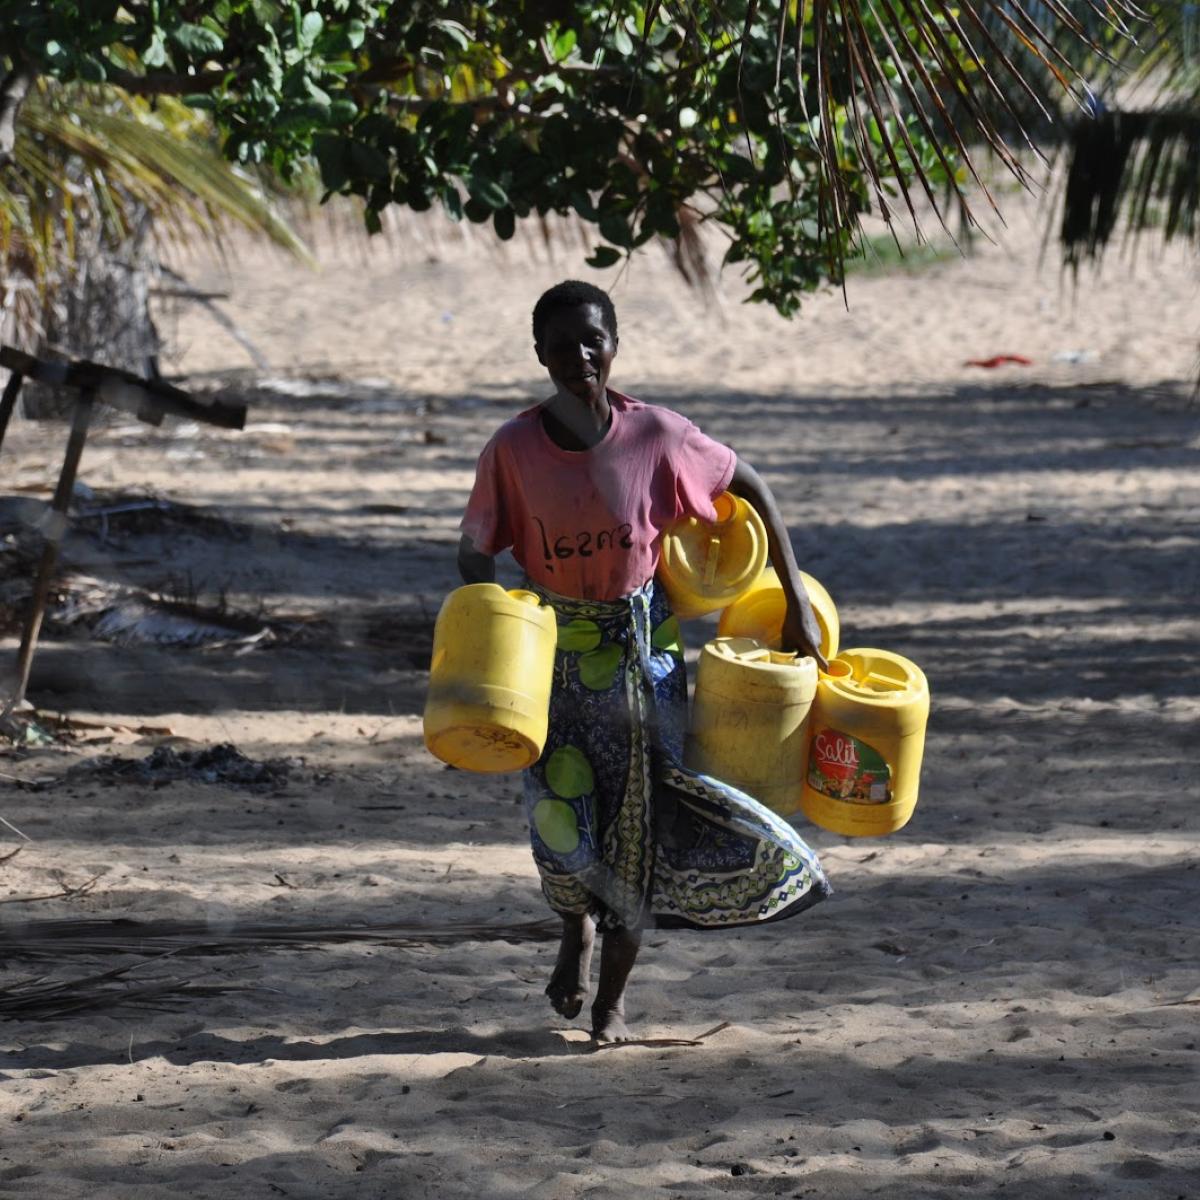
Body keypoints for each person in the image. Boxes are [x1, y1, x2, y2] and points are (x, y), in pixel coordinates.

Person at [457, 280, 831, 1042]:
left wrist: (791, 594)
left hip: (642, 657)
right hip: (552, 657)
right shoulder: (513, 450)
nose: (579, 356)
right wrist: (491, 623)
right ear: (540, 357)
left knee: (637, 827)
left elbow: (747, 482)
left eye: (592, 340)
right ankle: (574, 930)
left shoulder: (657, 436)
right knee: (559, 820)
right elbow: (475, 549)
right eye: (561, 346)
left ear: (615, 345)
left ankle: (612, 1004)